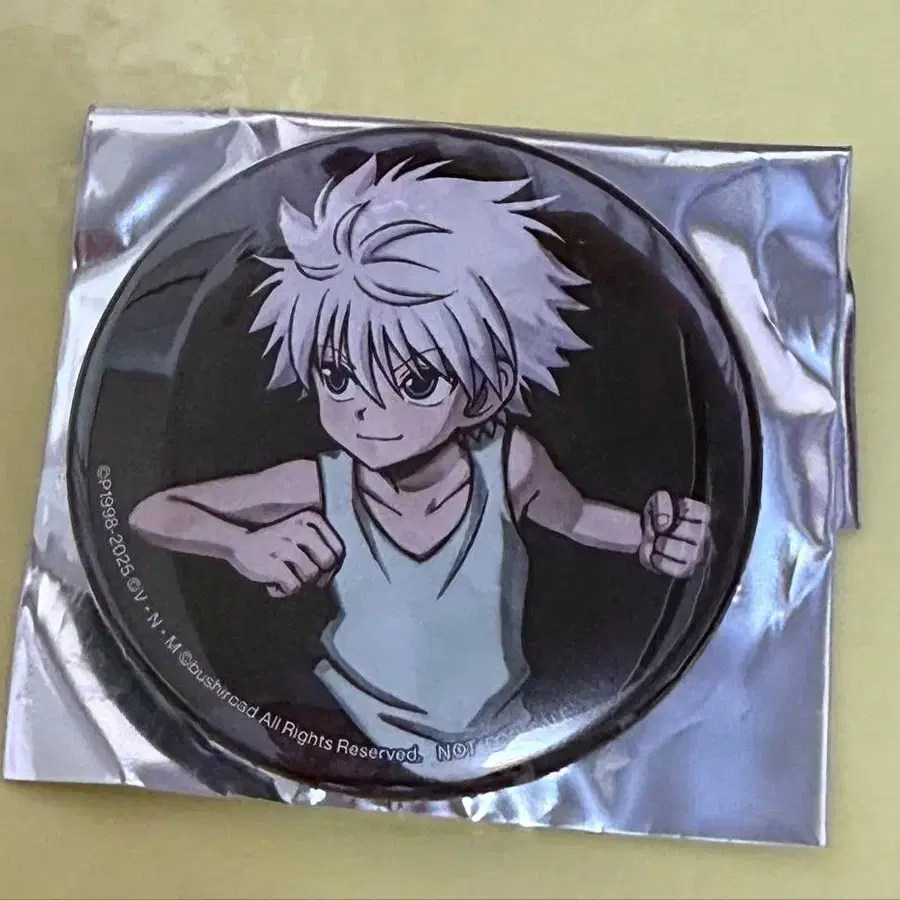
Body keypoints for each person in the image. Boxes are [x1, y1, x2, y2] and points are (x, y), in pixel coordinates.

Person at [129, 155, 710, 780]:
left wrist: (651, 541)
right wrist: (240, 544)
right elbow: (151, 510)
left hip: (502, 731)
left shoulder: (511, 466)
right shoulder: (322, 484)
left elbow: (577, 517)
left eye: (415, 381)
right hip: (344, 728)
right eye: (337, 375)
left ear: (483, 391)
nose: (365, 409)